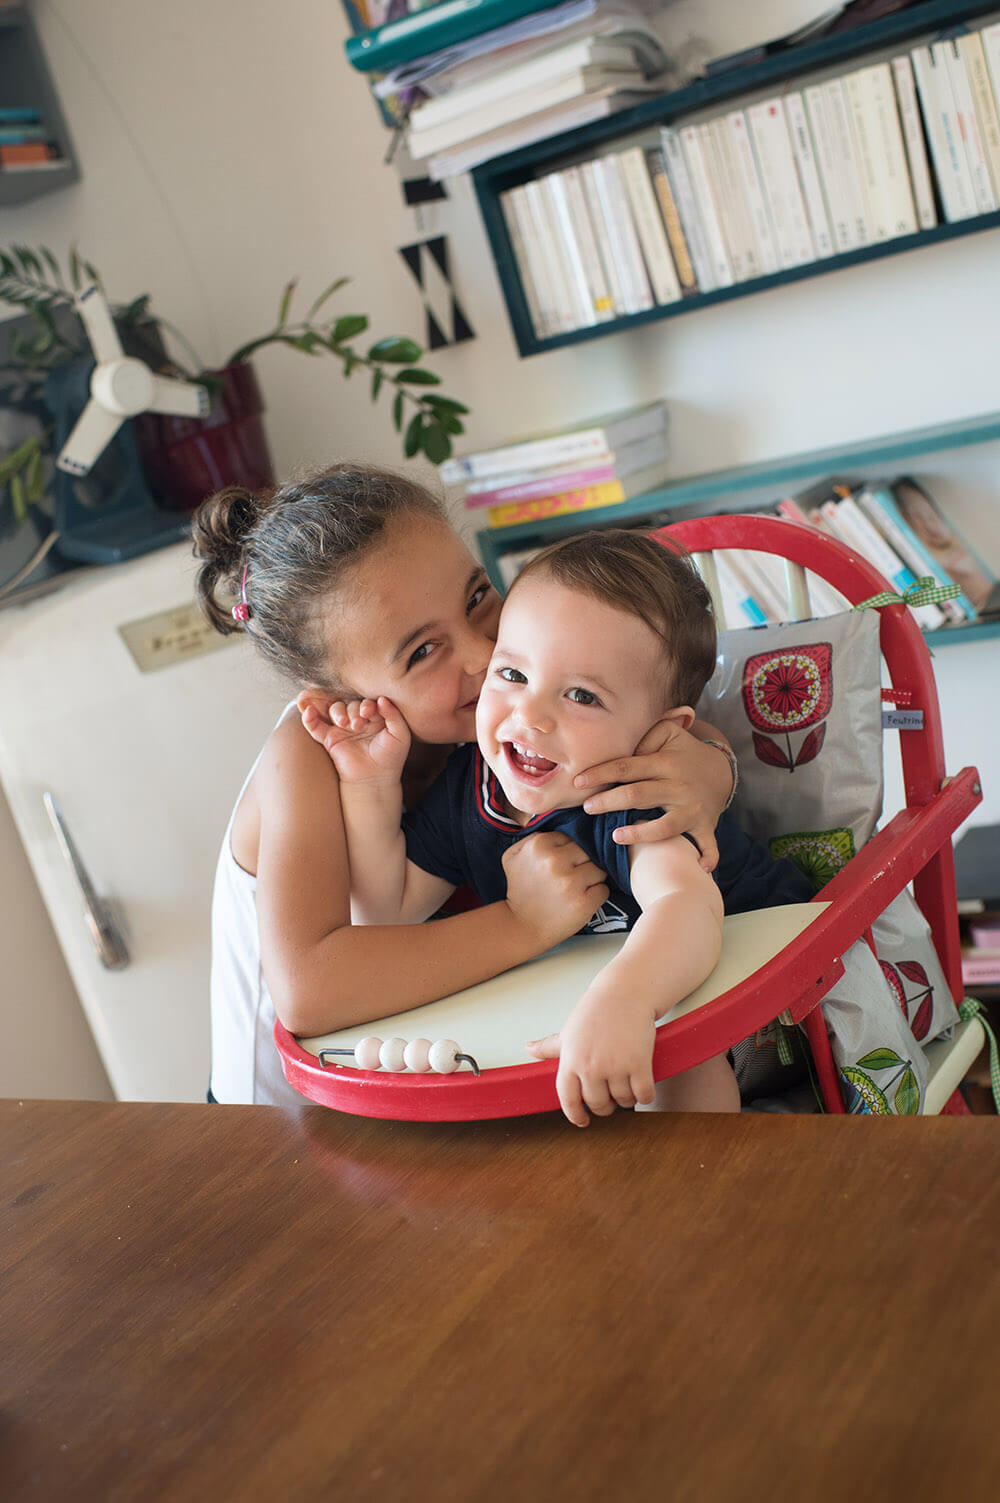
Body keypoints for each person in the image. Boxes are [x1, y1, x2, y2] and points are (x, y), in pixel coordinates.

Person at [192, 466, 739, 1106]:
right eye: (423, 652)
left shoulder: (511, 709)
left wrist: (712, 768)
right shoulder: (305, 758)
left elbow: (651, 718)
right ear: (341, 701)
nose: (484, 655)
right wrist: (522, 923)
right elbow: (311, 992)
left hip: (452, 1053)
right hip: (289, 1125)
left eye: (477, 596)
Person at [313, 529, 813, 1126]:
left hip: (768, 1002)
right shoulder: (467, 788)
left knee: (673, 1055)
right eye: (513, 676)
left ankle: (697, 1200)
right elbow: (388, 914)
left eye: (581, 695)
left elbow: (687, 906)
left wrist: (624, 999)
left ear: (660, 729)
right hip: (604, 1011)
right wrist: (369, 787)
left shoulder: (630, 793)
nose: (531, 715)